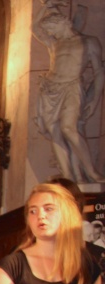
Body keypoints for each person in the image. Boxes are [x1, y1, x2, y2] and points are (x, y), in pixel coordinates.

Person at [33, 0, 105, 182]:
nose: (50, 34)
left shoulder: (89, 42)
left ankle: (91, 171)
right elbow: (34, 28)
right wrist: (46, 6)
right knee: (55, 132)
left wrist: (94, 99)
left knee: (68, 128)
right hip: (51, 89)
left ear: (62, 23)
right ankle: (68, 176)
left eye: (52, 30)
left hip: (72, 87)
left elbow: (99, 73)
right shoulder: (54, 44)